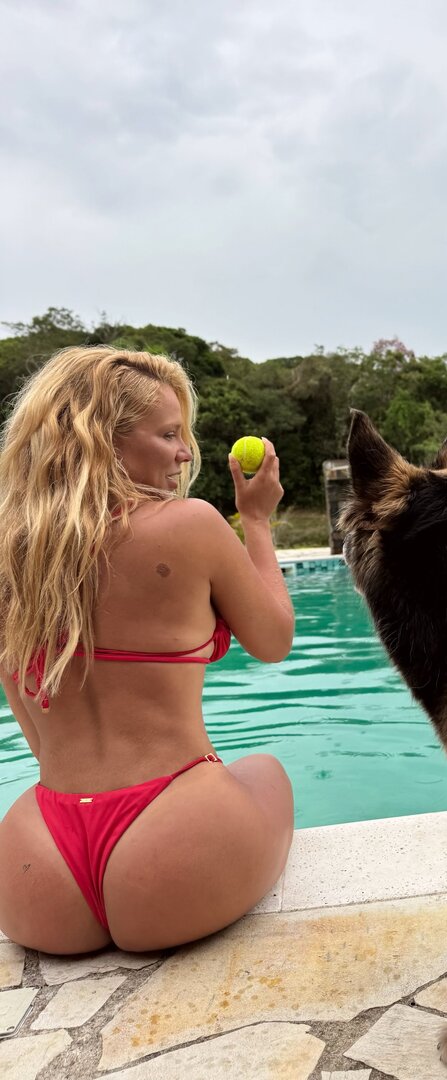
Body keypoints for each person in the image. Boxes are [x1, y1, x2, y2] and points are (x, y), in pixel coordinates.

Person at [0, 346, 295, 955]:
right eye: (168, 434)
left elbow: (34, 732)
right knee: (266, 769)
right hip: (174, 841)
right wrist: (256, 521)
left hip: (37, 865)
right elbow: (274, 640)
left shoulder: (12, 555)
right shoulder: (191, 524)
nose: (186, 452)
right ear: (103, 440)